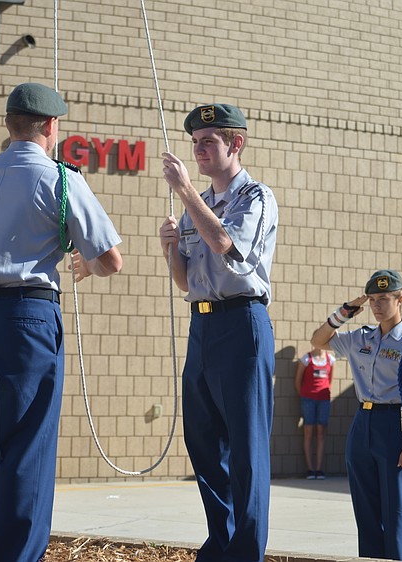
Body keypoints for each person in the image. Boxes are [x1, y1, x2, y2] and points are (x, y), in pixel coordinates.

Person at [0, 82, 123, 562]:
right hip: (29, 315)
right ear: (51, 127)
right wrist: (85, 265)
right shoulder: (62, 180)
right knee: (27, 448)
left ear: (9, 124)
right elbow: (110, 258)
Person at [158, 103, 278, 562]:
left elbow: (231, 249)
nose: (200, 150)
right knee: (204, 440)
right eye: (196, 143)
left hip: (241, 322)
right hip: (203, 324)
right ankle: (222, 540)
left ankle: (247, 550)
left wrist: (186, 190)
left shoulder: (256, 197)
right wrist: (171, 250)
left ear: (236, 144)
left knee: (246, 447)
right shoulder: (197, 206)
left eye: (209, 142)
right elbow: (188, 282)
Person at [310, 269, 402, 560]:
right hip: (362, 423)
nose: (377, 306)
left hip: (395, 423)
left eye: (384, 299)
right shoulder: (360, 338)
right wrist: (345, 312)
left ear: (400, 299)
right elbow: (318, 340)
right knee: (365, 510)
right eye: (372, 300)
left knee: (395, 509)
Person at [294, 345, 335, 479]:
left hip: (323, 400)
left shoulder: (331, 360)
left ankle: (319, 469)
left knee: (321, 432)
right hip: (308, 400)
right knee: (308, 432)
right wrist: (304, 395)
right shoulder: (306, 359)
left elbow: (330, 380)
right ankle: (310, 469)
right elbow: (298, 381)